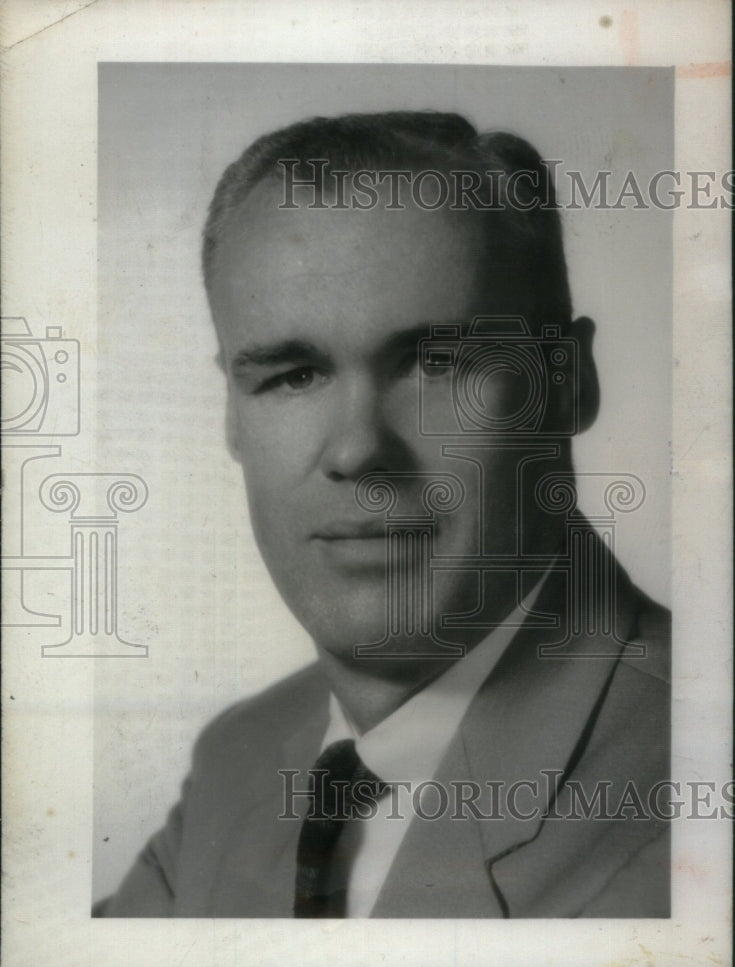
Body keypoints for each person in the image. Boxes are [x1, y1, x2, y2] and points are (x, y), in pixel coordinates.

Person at [95, 111, 670, 918]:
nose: (357, 450)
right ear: (232, 413)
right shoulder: (242, 760)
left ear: (566, 385)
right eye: (292, 376)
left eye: (437, 362)